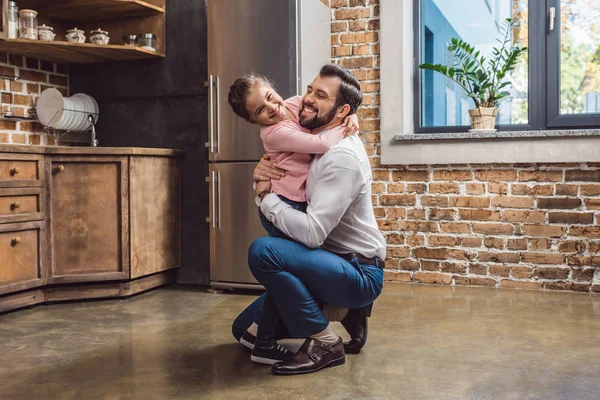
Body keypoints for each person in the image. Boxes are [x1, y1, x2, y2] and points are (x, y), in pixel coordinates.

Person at [232, 64, 386, 375]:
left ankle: (326, 341)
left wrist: (265, 198)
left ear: (340, 110)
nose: (307, 100)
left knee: (264, 253)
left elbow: (313, 235)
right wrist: (261, 176)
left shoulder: (340, 157)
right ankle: (343, 311)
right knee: (242, 330)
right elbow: (282, 159)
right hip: (324, 261)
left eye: (321, 96)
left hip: (356, 270)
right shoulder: (310, 127)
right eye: (309, 90)